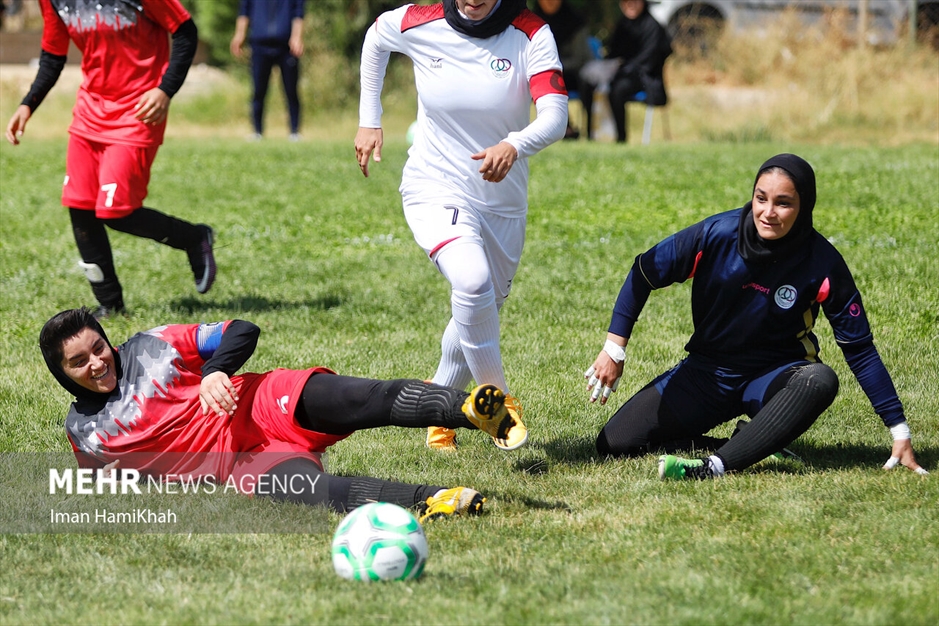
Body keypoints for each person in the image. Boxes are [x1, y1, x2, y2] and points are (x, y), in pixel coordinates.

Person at [585, 154, 928, 480]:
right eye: (761, 198)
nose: (768, 212)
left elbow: (860, 349)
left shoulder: (822, 262)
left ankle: (715, 467)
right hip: (708, 373)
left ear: (803, 206)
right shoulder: (716, 234)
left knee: (819, 380)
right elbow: (644, 272)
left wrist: (898, 429)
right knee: (615, 443)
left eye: (783, 203)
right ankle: (756, 445)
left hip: (774, 379)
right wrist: (615, 348)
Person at [38, 307, 528, 519]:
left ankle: (469, 409)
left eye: (97, 348)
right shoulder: (84, 434)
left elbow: (241, 329)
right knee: (313, 493)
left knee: (362, 399)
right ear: (62, 372)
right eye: (78, 362)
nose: (97, 362)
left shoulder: (153, 344)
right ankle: (436, 500)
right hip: (240, 467)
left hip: (261, 402)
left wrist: (215, 372)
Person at [354, 0, 568, 451]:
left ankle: (438, 412)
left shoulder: (530, 34)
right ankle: (500, 405)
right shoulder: (419, 20)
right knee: (472, 282)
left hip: (503, 205)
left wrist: (514, 144)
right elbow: (375, 38)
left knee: (480, 308)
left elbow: (555, 117)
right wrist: (369, 120)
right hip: (434, 186)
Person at [5, 0, 216, 320]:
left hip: (138, 111)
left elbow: (185, 30)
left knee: (115, 211)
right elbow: (53, 54)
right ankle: (111, 305)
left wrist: (165, 90)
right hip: (90, 112)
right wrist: (27, 104)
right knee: (80, 206)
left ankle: (194, 238)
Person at [579, 0, 671, 142]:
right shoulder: (622, 25)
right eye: (626, 1)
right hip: (619, 73)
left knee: (618, 90)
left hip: (645, 78)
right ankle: (590, 134)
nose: (630, 5)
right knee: (587, 83)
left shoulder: (653, 27)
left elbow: (649, 59)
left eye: (635, 1)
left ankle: (621, 137)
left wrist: (626, 68)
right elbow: (613, 54)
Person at [230, 0, 305, 141]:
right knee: (258, 90)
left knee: (291, 90)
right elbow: (244, 10)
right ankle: (257, 131)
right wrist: (239, 34)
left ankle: (294, 132)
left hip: (286, 45)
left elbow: (298, 11)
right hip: (259, 44)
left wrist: (297, 36)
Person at [532, 0, 593, 139]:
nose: (550, 2)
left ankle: (589, 132)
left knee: (582, 83)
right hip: (540, 74)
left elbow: (579, 59)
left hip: (572, 73)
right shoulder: (531, 21)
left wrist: (552, 66)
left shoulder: (575, 22)